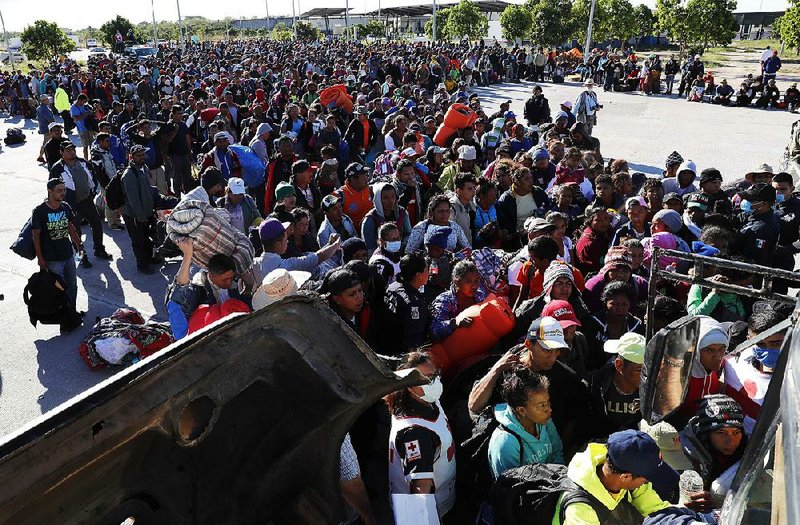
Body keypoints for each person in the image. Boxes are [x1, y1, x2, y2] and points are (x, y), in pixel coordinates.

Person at [386, 351, 456, 519]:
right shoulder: (416, 433)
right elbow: (420, 488)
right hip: (433, 511)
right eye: (428, 378)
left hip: (444, 495)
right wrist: (420, 520)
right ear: (410, 387)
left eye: (435, 375)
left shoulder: (427, 400)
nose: (435, 381)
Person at [551, 429, 672, 524]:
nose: (646, 484)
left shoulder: (625, 466)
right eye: (646, 480)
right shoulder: (580, 511)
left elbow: (656, 509)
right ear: (625, 477)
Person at [166, 239, 251, 340]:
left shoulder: (235, 283)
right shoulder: (198, 290)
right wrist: (187, 256)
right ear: (211, 275)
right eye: (225, 279)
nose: (229, 283)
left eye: (231, 278)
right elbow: (180, 287)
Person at [488, 368, 564, 479]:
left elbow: (557, 452)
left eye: (548, 402)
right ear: (521, 410)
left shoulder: (544, 420)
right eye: (541, 405)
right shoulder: (505, 443)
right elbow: (509, 488)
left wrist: (561, 480)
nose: (549, 409)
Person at [679, 395, 748, 513]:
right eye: (721, 433)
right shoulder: (681, 451)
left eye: (736, 432)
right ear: (706, 433)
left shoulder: (749, 450)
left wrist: (719, 503)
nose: (730, 442)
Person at [31, 178, 84, 332]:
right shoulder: (40, 211)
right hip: (52, 260)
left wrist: (78, 243)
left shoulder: (65, 207)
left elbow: (70, 227)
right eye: (59, 190)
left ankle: (71, 312)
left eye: (64, 190)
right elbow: (36, 236)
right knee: (58, 291)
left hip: (68, 255)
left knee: (72, 285)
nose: (63, 193)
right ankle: (64, 319)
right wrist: (40, 258)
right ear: (50, 191)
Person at [49, 140, 113, 267]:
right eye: (68, 150)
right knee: (75, 233)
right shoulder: (57, 168)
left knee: (97, 225)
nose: (72, 152)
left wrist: (92, 191)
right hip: (71, 205)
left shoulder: (83, 162)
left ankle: (99, 250)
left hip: (87, 201)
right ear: (61, 152)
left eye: (73, 149)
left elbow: (92, 176)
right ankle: (81, 257)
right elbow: (52, 187)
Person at [587, 333, 646, 437]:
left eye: (649, 369)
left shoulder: (653, 389)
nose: (646, 376)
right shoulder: (594, 385)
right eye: (640, 370)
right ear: (619, 365)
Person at [252, 218, 340, 282]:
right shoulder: (286, 267)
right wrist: (336, 244)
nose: (288, 241)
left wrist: (329, 244)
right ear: (278, 244)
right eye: (285, 239)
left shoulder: (254, 264)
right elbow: (320, 256)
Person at [381, 252, 432, 356]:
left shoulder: (393, 287)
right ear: (418, 275)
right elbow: (413, 344)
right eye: (427, 269)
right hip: (401, 358)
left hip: (385, 346)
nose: (429, 272)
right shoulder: (414, 304)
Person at [121, 144, 160, 274]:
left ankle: (149, 259)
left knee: (147, 238)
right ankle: (142, 265)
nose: (142, 157)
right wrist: (141, 216)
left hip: (146, 212)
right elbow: (133, 200)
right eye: (138, 155)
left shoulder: (144, 167)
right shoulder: (129, 174)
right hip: (135, 215)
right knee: (139, 241)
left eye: (143, 154)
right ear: (131, 157)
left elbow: (147, 188)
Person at [430, 260, 487, 341]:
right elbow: (434, 330)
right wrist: (455, 323)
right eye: (468, 281)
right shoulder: (444, 301)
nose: (474, 286)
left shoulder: (480, 296)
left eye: (476, 281)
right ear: (456, 281)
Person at [732, 182, 778, 267]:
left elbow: (753, 261)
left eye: (751, 200)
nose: (746, 202)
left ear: (764, 204)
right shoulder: (757, 215)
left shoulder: (761, 230)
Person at [407, 194, 472, 253]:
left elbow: (467, 247)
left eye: (447, 211)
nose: (444, 214)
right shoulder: (421, 227)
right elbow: (409, 251)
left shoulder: (454, 226)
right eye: (440, 211)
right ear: (432, 212)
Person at [361, 182, 411, 253]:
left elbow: (408, 234)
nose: (391, 201)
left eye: (393, 196)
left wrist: (401, 247)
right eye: (386, 198)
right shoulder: (370, 220)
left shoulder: (402, 213)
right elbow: (370, 248)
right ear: (378, 200)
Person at [89, 132, 125, 230]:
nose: (109, 143)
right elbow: (99, 173)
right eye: (107, 141)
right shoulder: (96, 155)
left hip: (113, 180)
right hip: (106, 183)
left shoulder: (107, 151)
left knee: (116, 200)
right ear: (100, 142)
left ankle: (117, 220)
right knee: (110, 203)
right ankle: (113, 224)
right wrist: (107, 185)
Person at [335, 162, 374, 232]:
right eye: (364, 176)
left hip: (372, 230)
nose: (367, 178)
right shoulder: (339, 195)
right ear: (353, 179)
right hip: (354, 235)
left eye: (366, 175)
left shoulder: (368, 189)